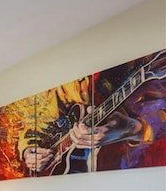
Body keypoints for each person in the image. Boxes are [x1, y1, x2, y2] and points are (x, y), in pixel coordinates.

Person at [14, 49, 165, 177]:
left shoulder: (135, 67)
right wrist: (29, 151)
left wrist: (135, 129)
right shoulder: (62, 87)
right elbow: (38, 121)